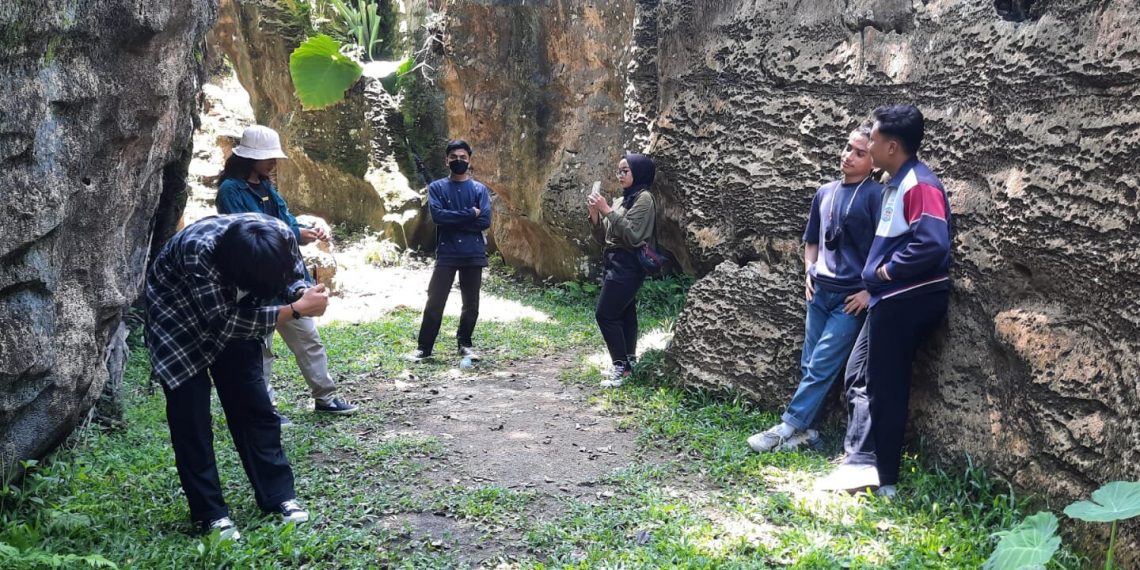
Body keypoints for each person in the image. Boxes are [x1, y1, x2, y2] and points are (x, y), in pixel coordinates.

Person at [145, 214, 325, 538]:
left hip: (240, 317)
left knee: (256, 409)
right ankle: (210, 515)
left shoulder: (280, 234)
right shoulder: (198, 251)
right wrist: (296, 310)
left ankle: (278, 497)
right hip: (178, 323)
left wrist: (303, 293)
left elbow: (294, 276)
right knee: (192, 422)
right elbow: (224, 322)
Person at [817, 104, 953, 497]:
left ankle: (886, 479)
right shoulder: (897, 182)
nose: (867, 144)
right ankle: (859, 463)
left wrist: (884, 273)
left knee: (887, 386)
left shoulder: (919, 184)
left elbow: (931, 244)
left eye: (872, 140)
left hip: (906, 297)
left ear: (892, 146)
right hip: (888, 299)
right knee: (860, 374)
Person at [748, 123, 883, 453]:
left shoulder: (877, 196)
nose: (848, 156)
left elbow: (887, 249)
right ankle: (810, 434)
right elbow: (811, 240)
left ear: (874, 162)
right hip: (819, 291)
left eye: (859, 152)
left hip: (851, 298)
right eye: (847, 148)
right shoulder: (825, 192)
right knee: (810, 364)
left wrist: (870, 292)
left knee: (822, 364)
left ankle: (787, 426)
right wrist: (809, 269)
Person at [216, 125, 357, 422]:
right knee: (262, 349)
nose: (273, 162)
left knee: (308, 338)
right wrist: (294, 233)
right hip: (255, 279)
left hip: (286, 277)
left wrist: (303, 232)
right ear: (250, 158)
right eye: (267, 157)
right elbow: (250, 230)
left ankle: (326, 398)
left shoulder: (267, 187)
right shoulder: (231, 190)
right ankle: (266, 409)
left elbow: (285, 221)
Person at [407, 139, 492, 362]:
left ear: (470, 160)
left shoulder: (479, 189)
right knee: (435, 300)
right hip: (447, 252)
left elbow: (484, 220)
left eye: (463, 157)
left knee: (471, 303)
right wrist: (468, 214)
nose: (458, 161)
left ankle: (465, 343)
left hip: (473, 253)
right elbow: (438, 216)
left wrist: (454, 218)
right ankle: (424, 348)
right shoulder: (436, 188)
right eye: (454, 157)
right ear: (447, 160)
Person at [587, 154, 657, 388]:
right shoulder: (621, 200)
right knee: (626, 313)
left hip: (629, 265)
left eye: (625, 171)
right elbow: (604, 239)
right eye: (619, 171)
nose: (620, 175)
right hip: (613, 262)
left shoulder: (645, 199)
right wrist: (596, 215)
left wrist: (606, 210)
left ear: (639, 172)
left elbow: (634, 235)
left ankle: (620, 366)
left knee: (605, 314)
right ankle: (629, 363)